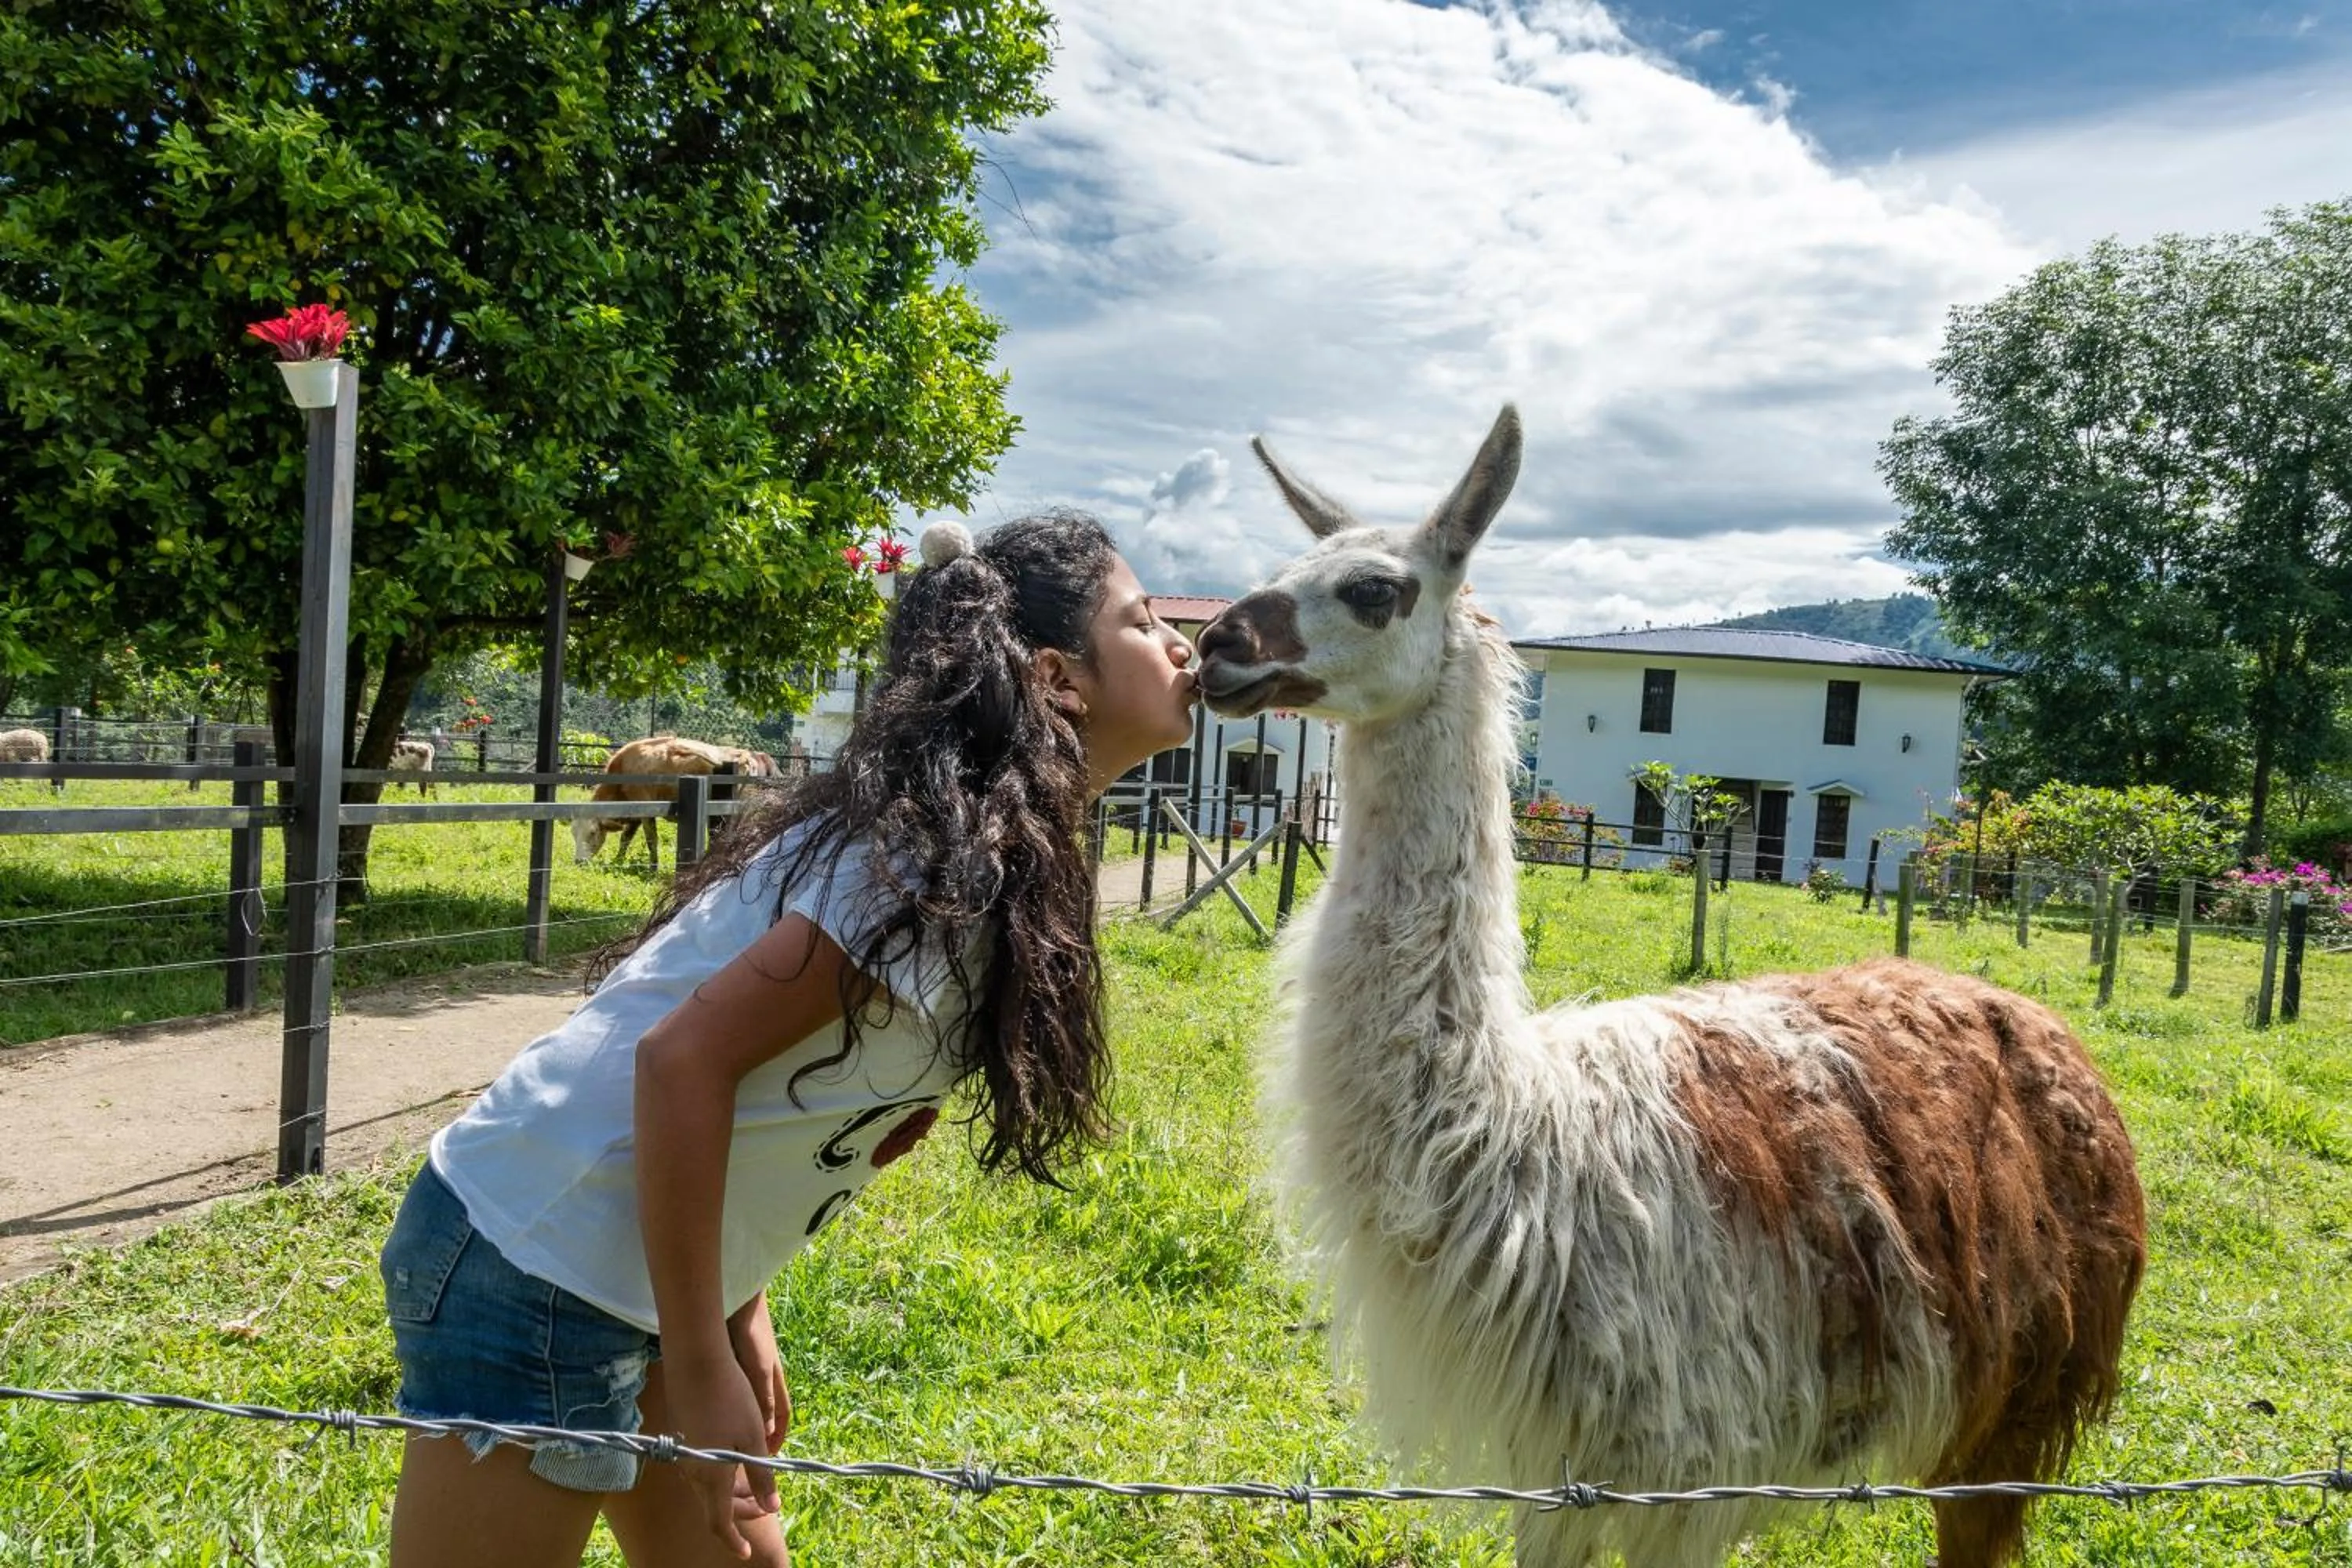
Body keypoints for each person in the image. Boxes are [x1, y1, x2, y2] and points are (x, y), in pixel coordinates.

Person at [378, 511, 1199, 1566]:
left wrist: (738, 1308)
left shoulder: (999, 855)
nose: (1181, 643)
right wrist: (702, 1355)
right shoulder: (925, 864)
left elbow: (779, 1098)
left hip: (653, 1266)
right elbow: (682, 1062)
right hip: (534, 1250)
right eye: (1142, 621)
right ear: (1058, 678)